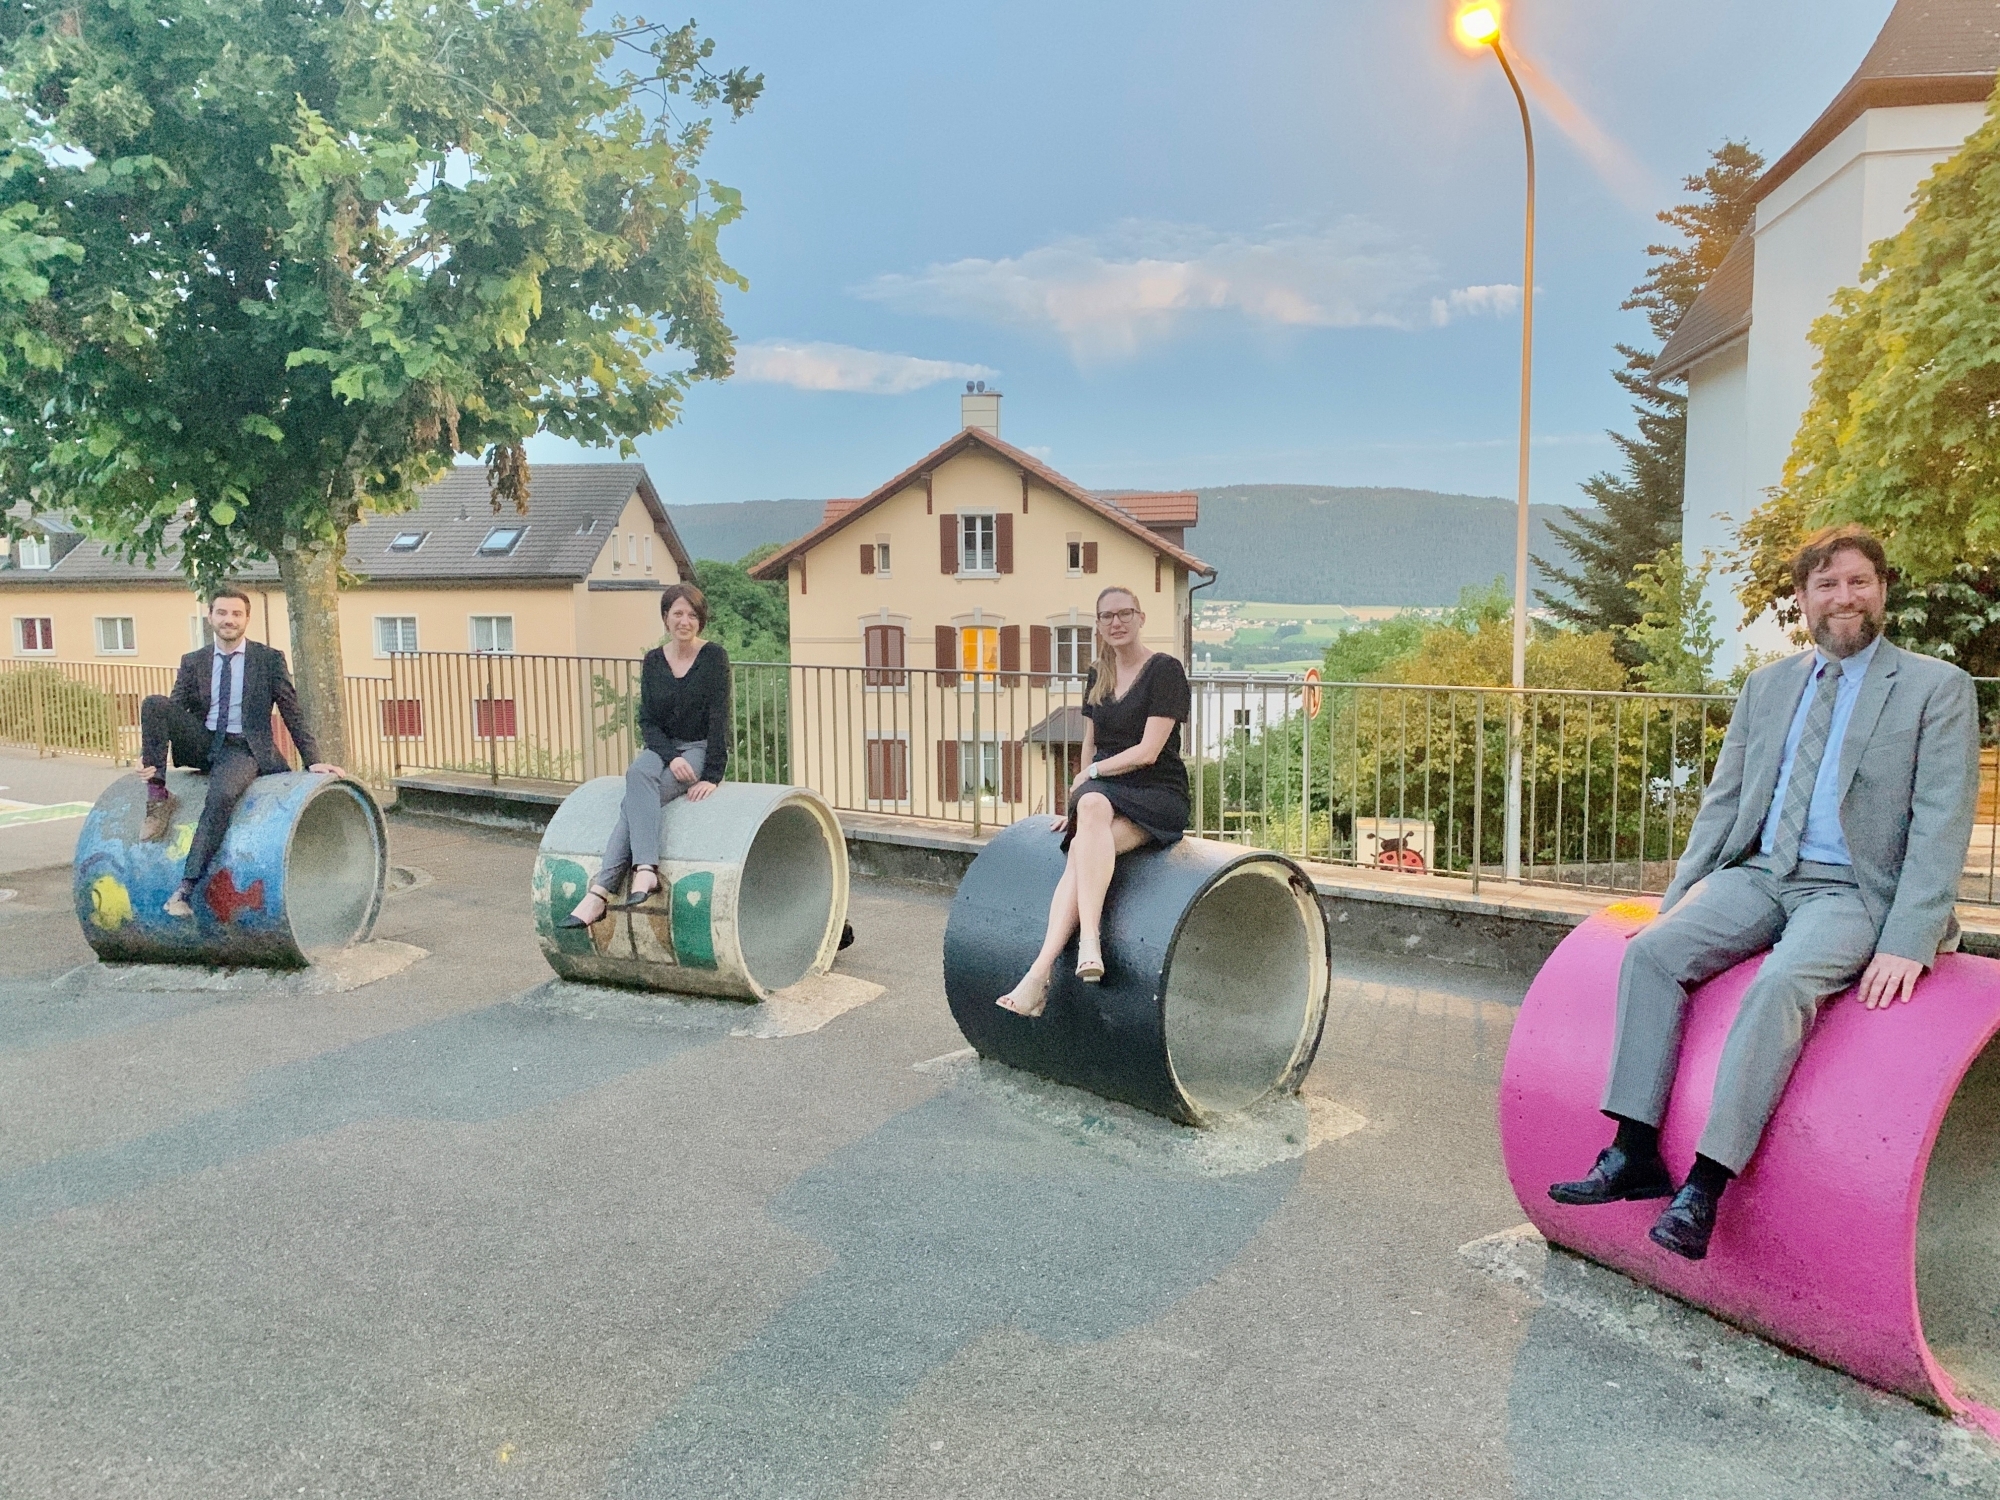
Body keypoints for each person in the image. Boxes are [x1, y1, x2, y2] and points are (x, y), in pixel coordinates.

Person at [1548, 524, 1979, 1261]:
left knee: (1780, 983)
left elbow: (1943, 820)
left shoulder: (1936, 688)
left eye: (1858, 581)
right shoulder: (1768, 686)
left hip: (1853, 892)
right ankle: (1634, 1152)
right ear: (1802, 601)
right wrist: (1680, 895)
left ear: (1882, 590)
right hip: (1762, 873)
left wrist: (1910, 939)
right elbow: (1723, 802)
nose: (1844, 597)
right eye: (1826, 584)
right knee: (1652, 955)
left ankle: (1705, 1189)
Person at [996, 586, 1192, 1016]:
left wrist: (1093, 775)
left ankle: (1050, 966)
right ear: (1098, 625)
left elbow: (1148, 751)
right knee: (1090, 815)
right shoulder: (1096, 674)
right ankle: (1070, 956)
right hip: (1104, 796)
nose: (1116, 622)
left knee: (1083, 848)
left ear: (1140, 618)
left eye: (1124, 613)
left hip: (1156, 792)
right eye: (1106, 616)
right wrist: (1079, 797)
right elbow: (1091, 743)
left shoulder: (1164, 670)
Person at [138, 588, 344, 918]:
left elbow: (292, 711)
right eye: (222, 613)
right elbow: (173, 711)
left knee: (220, 797)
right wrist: (150, 757)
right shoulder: (194, 662)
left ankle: (186, 888)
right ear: (210, 617)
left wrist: (313, 759)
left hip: (242, 749)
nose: (229, 620)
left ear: (246, 619)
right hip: (205, 742)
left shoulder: (268, 659)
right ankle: (157, 795)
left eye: (236, 614)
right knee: (154, 704)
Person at [563, 583, 730, 928]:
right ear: (666, 618)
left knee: (633, 804)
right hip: (663, 748)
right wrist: (670, 757)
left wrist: (712, 775)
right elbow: (648, 720)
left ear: (701, 621)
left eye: (692, 615)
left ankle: (598, 893)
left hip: (698, 746)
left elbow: (719, 717)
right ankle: (645, 869)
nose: (685, 621)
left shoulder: (714, 657)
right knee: (637, 776)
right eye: (678, 613)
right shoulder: (654, 661)